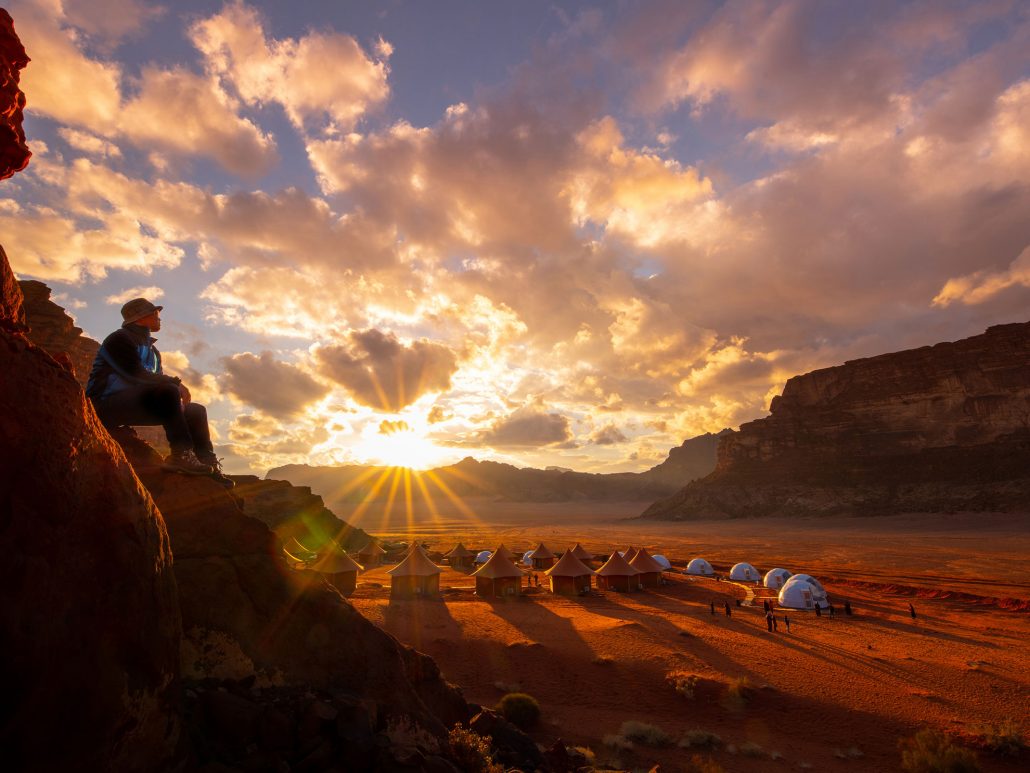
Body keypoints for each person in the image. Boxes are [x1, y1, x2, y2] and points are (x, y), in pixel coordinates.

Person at [86, 298, 232, 486]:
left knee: (196, 411)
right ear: (140, 317)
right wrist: (176, 384)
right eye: (155, 314)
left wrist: (174, 398)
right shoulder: (119, 339)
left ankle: (207, 463)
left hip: (133, 403)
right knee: (169, 390)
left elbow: (156, 383)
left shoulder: (153, 351)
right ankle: (181, 454)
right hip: (104, 405)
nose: (159, 318)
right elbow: (135, 375)